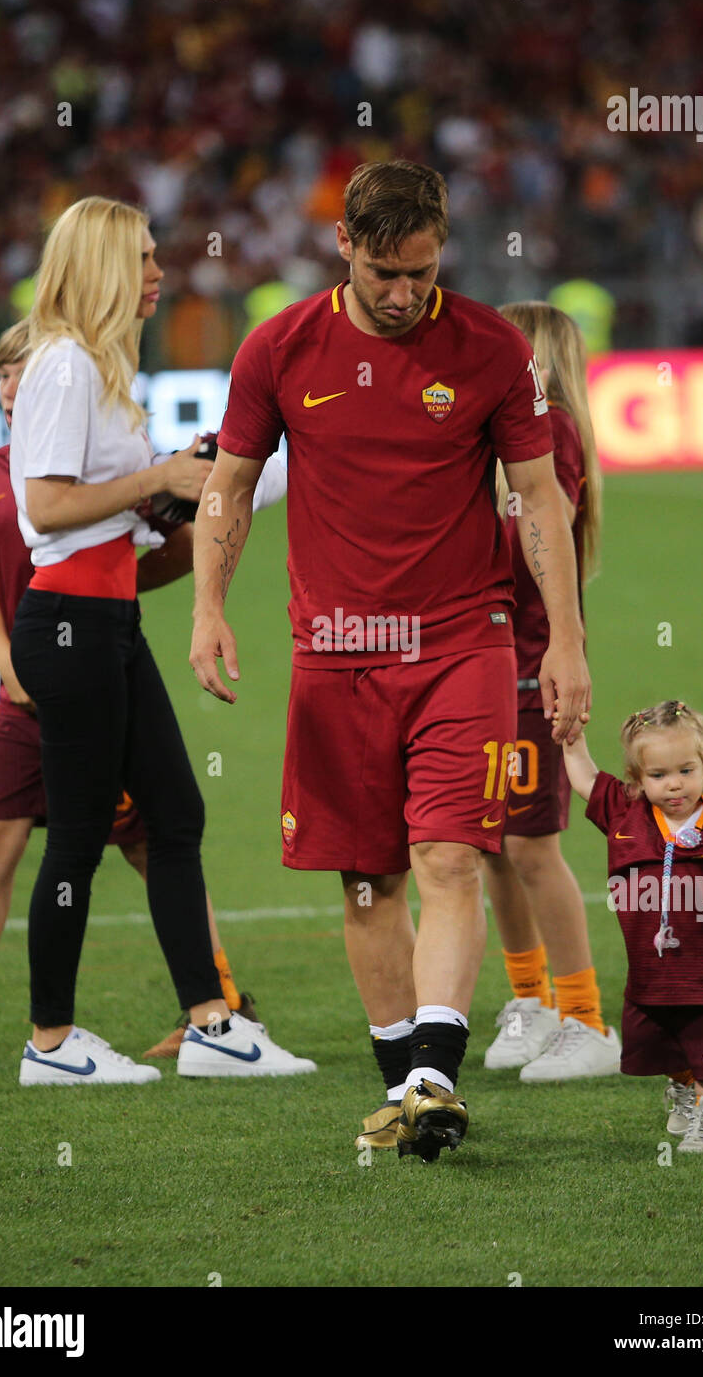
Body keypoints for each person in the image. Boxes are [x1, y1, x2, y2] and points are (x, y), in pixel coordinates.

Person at [190, 160, 590, 1161]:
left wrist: (568, 641)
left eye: (419, 270)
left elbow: (537, 499)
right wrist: (205, 605)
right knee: (365, 883)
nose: (403, 292)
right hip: (335, 656)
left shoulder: (494, 349)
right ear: (344, 249)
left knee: (449, 857)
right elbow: (229, 488)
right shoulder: (279, 348)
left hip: (465, 643)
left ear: (441, 247)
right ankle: (405, 1089)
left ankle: (432, 1075)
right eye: (382, 272)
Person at [7, 196, 314, 1084]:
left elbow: (119, 534)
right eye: (143, 258)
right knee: (75, 840)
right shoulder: (64, 364)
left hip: (104, 619)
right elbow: (47, 506)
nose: (159, 274)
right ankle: (52, 1042)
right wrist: (161, 476)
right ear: (103, 265)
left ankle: (211, 1022)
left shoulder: (94, 368)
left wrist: (207, 491)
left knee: (176, 816)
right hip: (70, 626)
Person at [0, 319, 296, 1069]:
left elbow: (145, 557)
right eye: (1, 374)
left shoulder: (76, 471)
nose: (9, 388)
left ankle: (215, 1006)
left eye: (21, 373)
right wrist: (5, 664)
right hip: (31, 680)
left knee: (148, 832)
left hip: (86, 660)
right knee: (0, 843)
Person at [482, 303, 620, 1081]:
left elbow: (543, 528)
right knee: (493, 846)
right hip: (487, 664)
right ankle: (531, 999)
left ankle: (586, 1017)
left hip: (531, 664)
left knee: (532, 845)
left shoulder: (550, 428)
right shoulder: (515, 432)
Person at [562, 700, 703, 1152]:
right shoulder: (625, 814)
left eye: (686, 770)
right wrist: (571, 740)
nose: (675, 784)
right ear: (637, 782)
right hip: (651, 972)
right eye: (658, 776)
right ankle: (683, 1088)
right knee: (658, 1042)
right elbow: (584, 779)